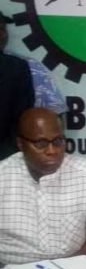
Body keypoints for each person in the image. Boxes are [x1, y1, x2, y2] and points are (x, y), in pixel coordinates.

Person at [0, 108, 86, 264]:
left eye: (58, 141)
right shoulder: (3, 176)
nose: (52, 151)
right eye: (41, 143)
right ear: (20, 143)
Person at [0, 11, 35, 160]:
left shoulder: (17, 67)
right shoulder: (16, 67)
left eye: (3, 30)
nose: (4, 35)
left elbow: (24, 117)